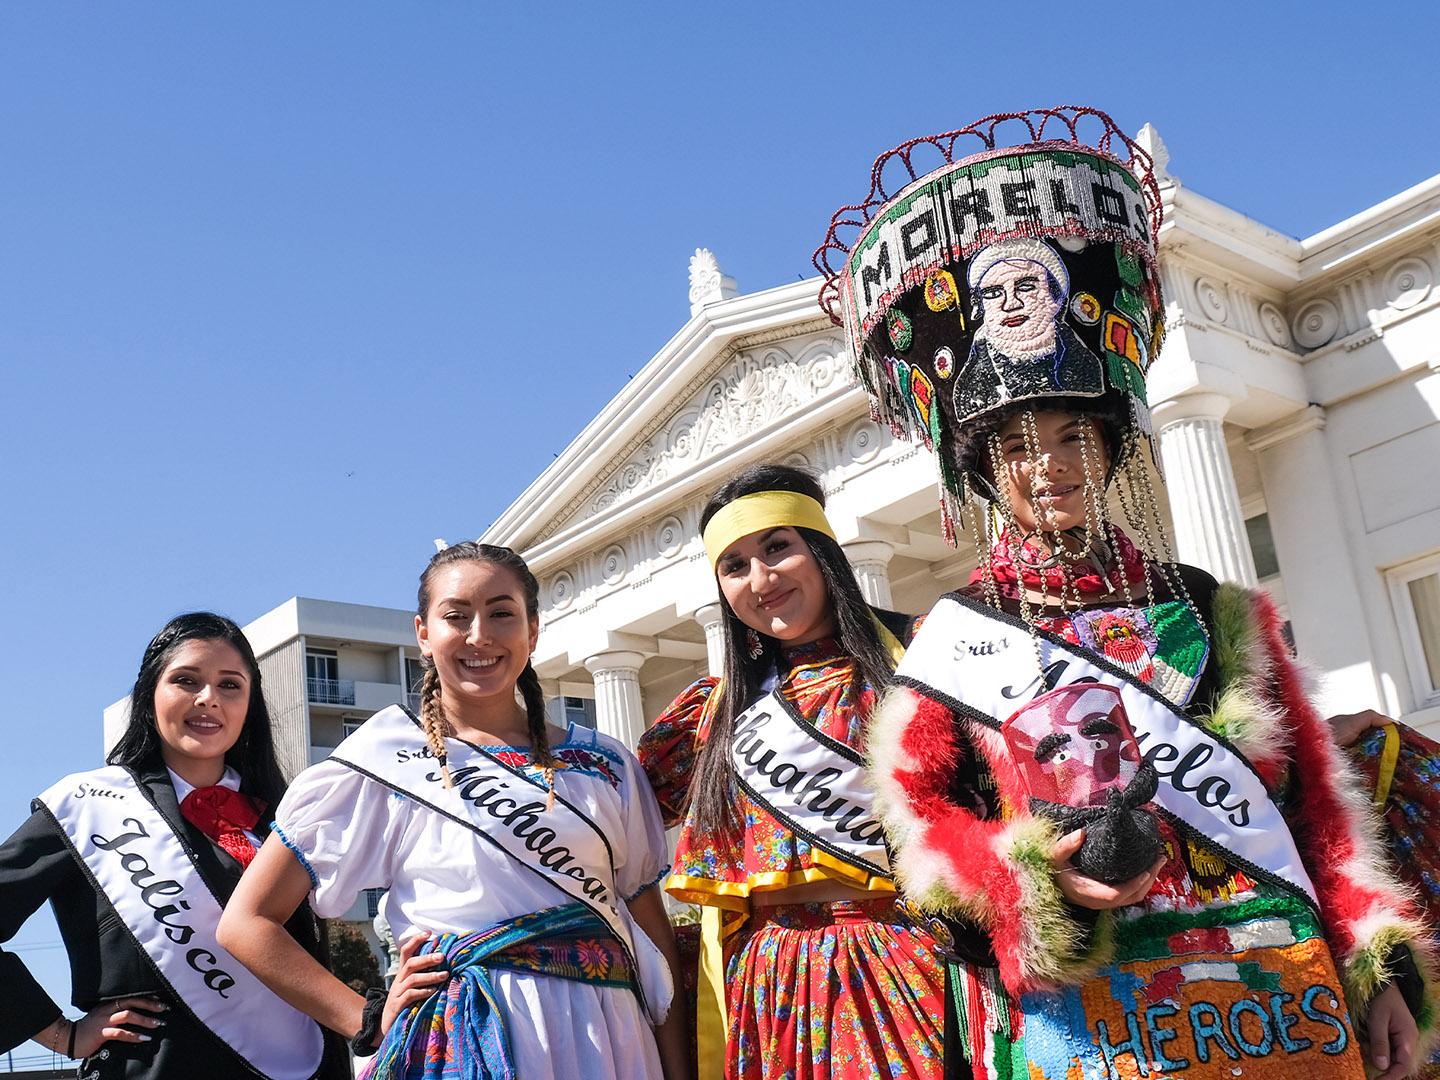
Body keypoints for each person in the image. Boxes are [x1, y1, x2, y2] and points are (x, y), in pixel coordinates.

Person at [815, 106, 1437, 1080]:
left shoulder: (1213, 610)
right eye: (1017, 448)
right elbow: (919, 820)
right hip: (1087, 1014)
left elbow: (1316, 802)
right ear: (986, 474)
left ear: (1108, 446)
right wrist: (1018, 874)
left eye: (1072, 436)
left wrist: (1378, 966)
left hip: (1277, 989)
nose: (1048, 467)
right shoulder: (956, 640)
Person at [218, 542, 687, 1079]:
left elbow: (653, 938)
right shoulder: (382, 762)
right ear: (423, 633)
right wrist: (363, 1018)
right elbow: (246, 922)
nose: (479, 635)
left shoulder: (605, 764)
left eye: (502, 614)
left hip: (607, 1036)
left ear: (533, 632)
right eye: (456, 616)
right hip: (459, 1036)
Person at [639, 463, 945, 1080]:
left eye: (778, 548)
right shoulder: (712, 713)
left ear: (822, 552)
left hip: (909, 959)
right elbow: (601, 826)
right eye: (735, 566)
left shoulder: (924, 654)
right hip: (770, 980)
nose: (762, 578)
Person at [0, 612, 346, 1078]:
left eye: (230, 685)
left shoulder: (285, 817)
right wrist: (61, 1034)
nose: (208, 699)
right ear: (149, 696)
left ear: (249, 704)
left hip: (294, 1065)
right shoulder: (86, 806)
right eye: (186, 680)